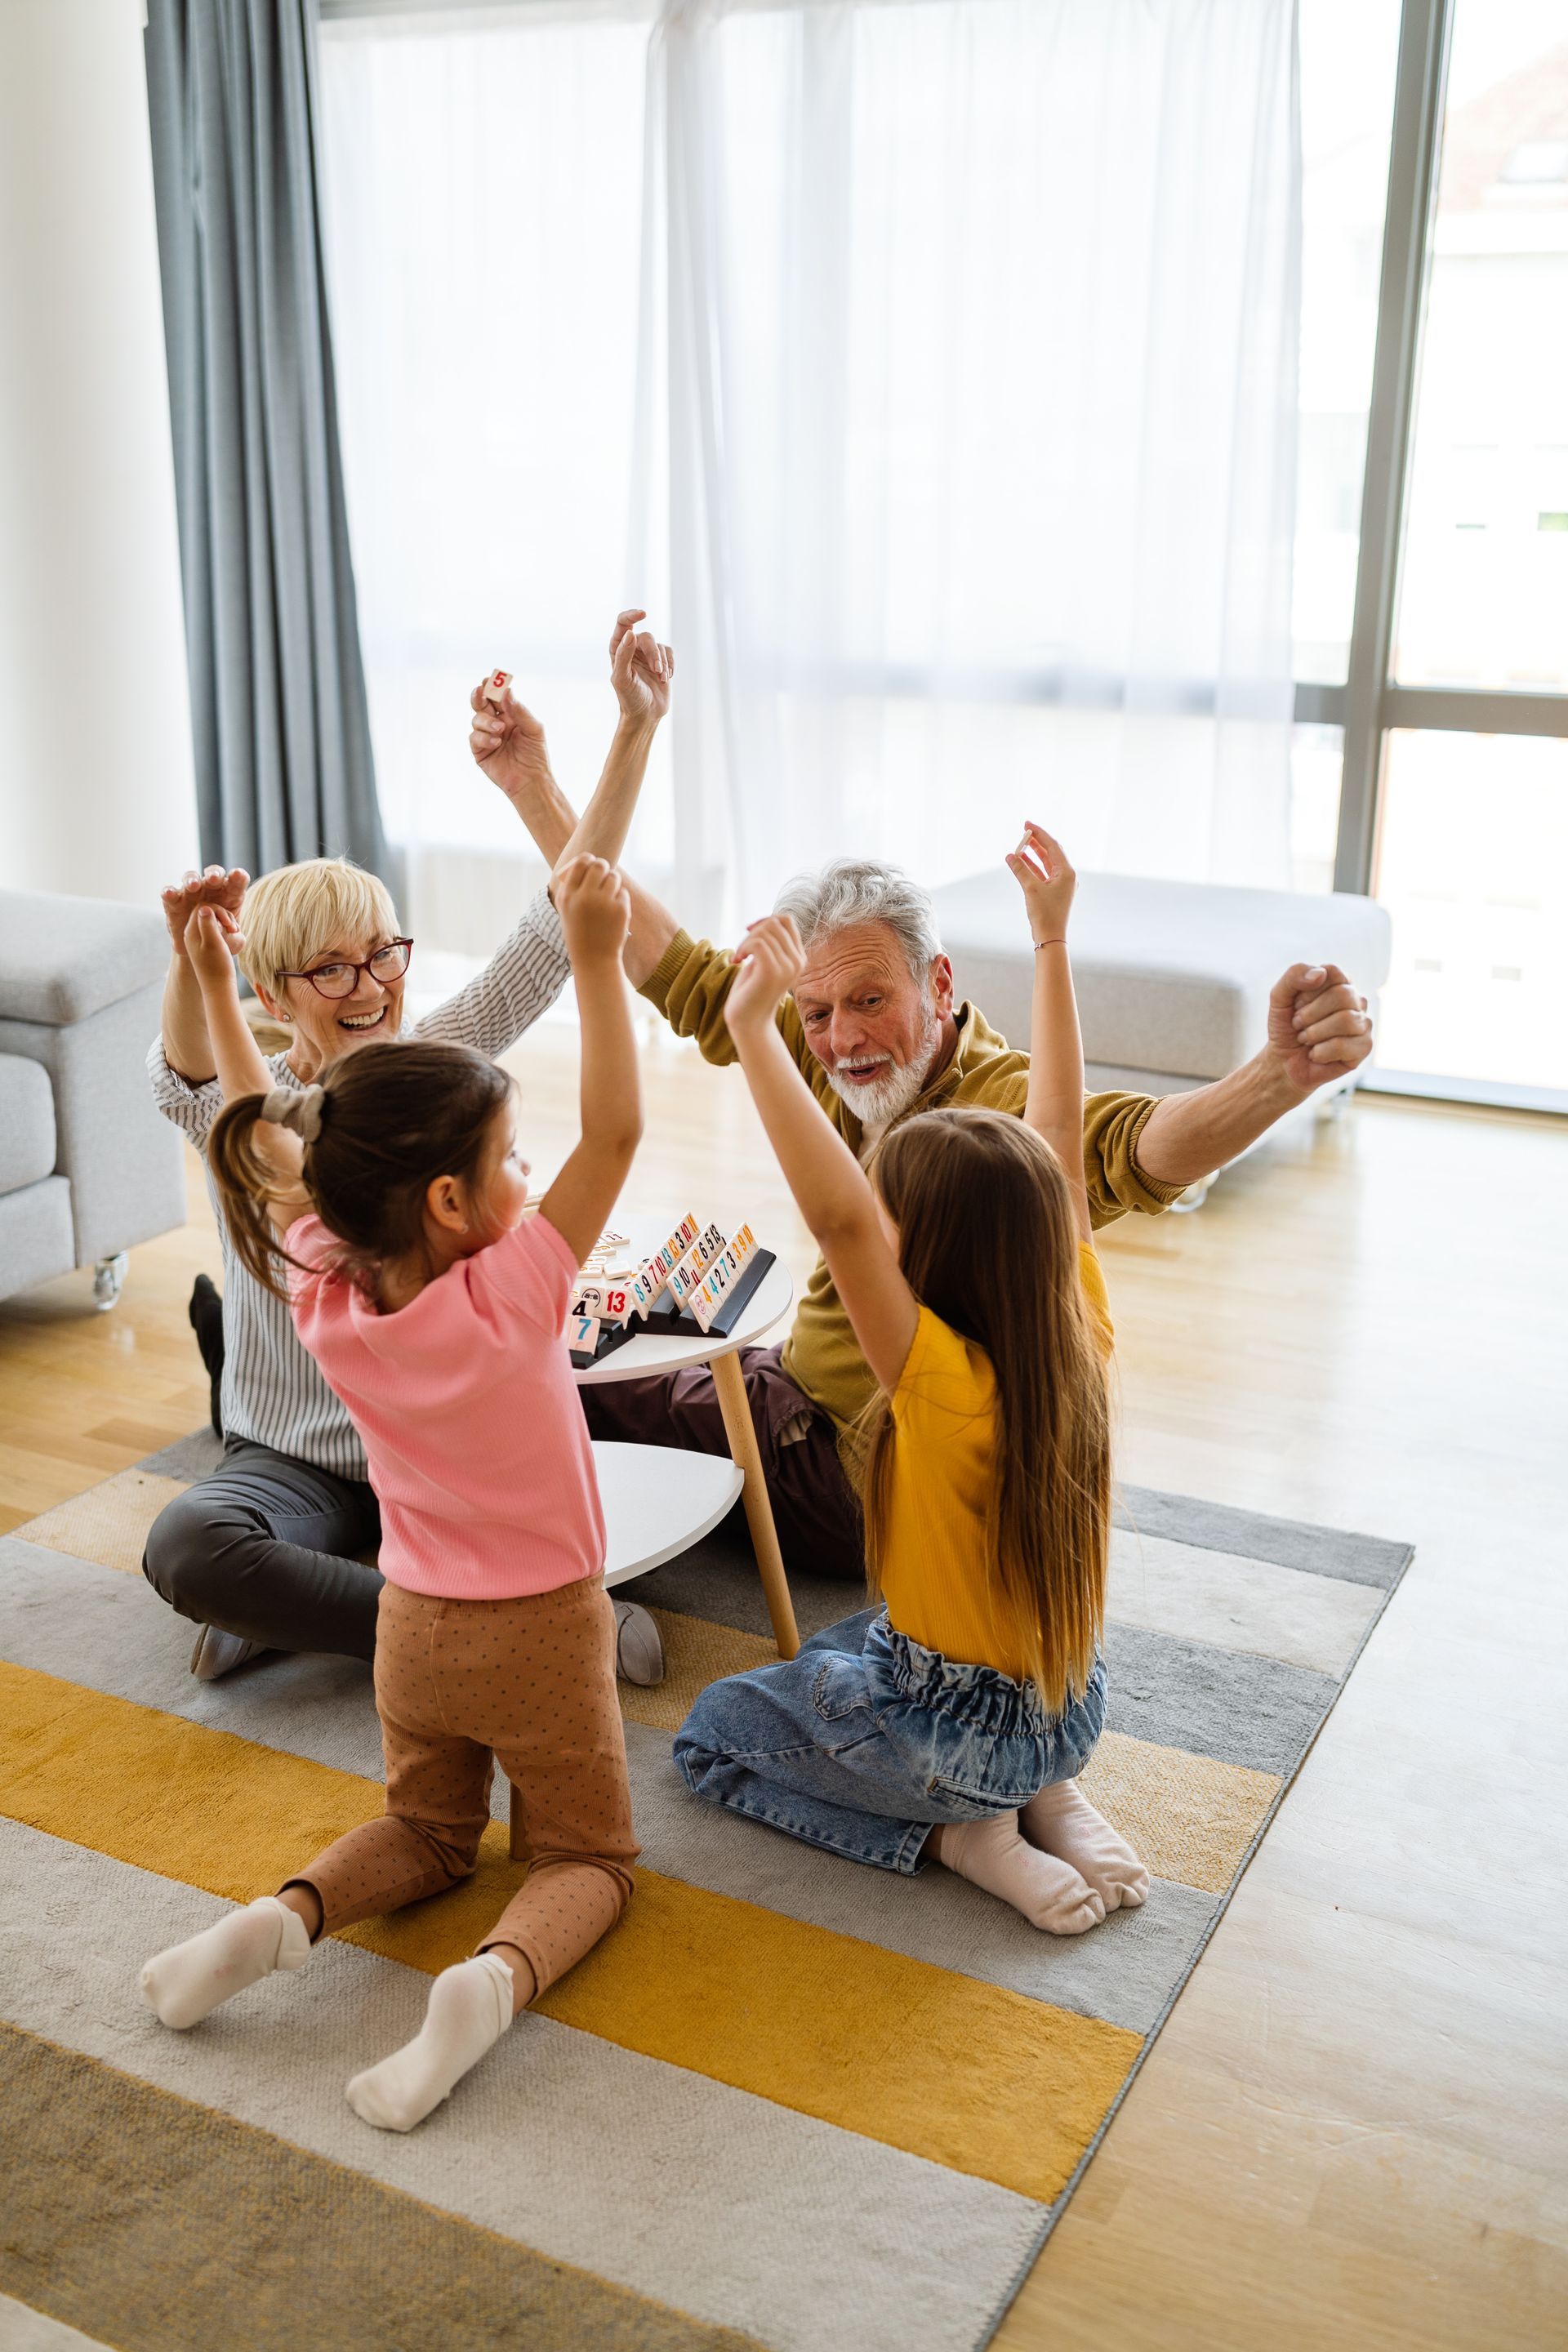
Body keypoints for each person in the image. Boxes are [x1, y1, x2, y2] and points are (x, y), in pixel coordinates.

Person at [474, 706, 1377, 1580]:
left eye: (871, 1002)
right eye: (816, 1013)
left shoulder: (991, 1110)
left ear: (938, 983)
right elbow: (671, 963)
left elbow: (1134, 1149)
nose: (843, 1040)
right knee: (645, 1339)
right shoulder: (822, 1037)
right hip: (797, 1402)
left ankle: (523, 1563)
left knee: (554, 1365)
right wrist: (535, 788)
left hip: (849, 1471)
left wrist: (1274, 1078)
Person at [140, 853, 642, 2131]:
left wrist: (208, 968)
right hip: (541, 1625)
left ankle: (277, 1916)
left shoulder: (325, 1284)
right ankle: (488, 1984)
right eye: (510, 1164)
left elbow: (270, 1146)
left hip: (409, 1627)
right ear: (453, 1200)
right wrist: (596, 958)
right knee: (587, 1857)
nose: (528, 1180)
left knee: (426, 1832)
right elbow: (621, 1130)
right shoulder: (519, 1288)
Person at [145, 612, 673, 1682]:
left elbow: (559, 925)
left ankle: (318, 1609)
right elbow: (185, 1073)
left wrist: (633, 731)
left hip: (436, 1453)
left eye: (382, 953)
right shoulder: (259, 1118)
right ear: (277, 997)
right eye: (332, 970)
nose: (371, 985)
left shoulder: (433, 1065)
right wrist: (194, 958)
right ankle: (444, 1619)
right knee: (189, 1545)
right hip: (297, 1457)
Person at [672, 824, 1147, 1932]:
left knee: (714, 1734)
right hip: (1069, 1706)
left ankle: (959, 1835)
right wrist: (1050, 942)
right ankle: (1051, 1789)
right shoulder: (1080, 1324)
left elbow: (837, 1217)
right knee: (851, 1637)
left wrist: (753, 1028)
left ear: (917, 1245)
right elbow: (1059, 1139)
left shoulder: (936, 1380)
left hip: (949, 1735)